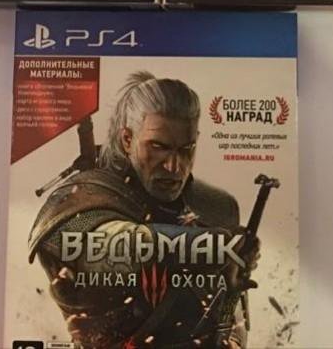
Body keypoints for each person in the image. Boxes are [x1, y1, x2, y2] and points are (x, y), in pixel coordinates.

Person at [29, 72, 259, 349]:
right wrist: (209, 245)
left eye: (186, 149)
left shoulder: (215, 207)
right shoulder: (82, 196)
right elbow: (100, 246)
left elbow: (232, 315)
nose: (174, 166)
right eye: (158, 147)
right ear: (127, 139)